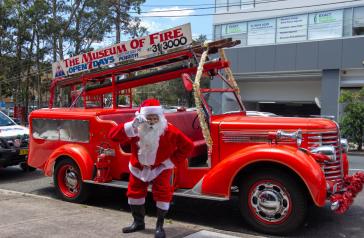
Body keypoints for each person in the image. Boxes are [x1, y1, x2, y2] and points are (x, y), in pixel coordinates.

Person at [108, 98, 193, 238]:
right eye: (149, 118)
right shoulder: (136, 129)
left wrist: (170, 162)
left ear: (160, 118)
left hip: (160, 168)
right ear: (142, 118)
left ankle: (159, 226)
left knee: (163, 194)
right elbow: (112, 136)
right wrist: (132, 126)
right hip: (138, 168)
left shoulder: (169, 130)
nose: (152, 121)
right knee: (134, 193)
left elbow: (188, 146)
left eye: (155, 118)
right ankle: (138, 222)